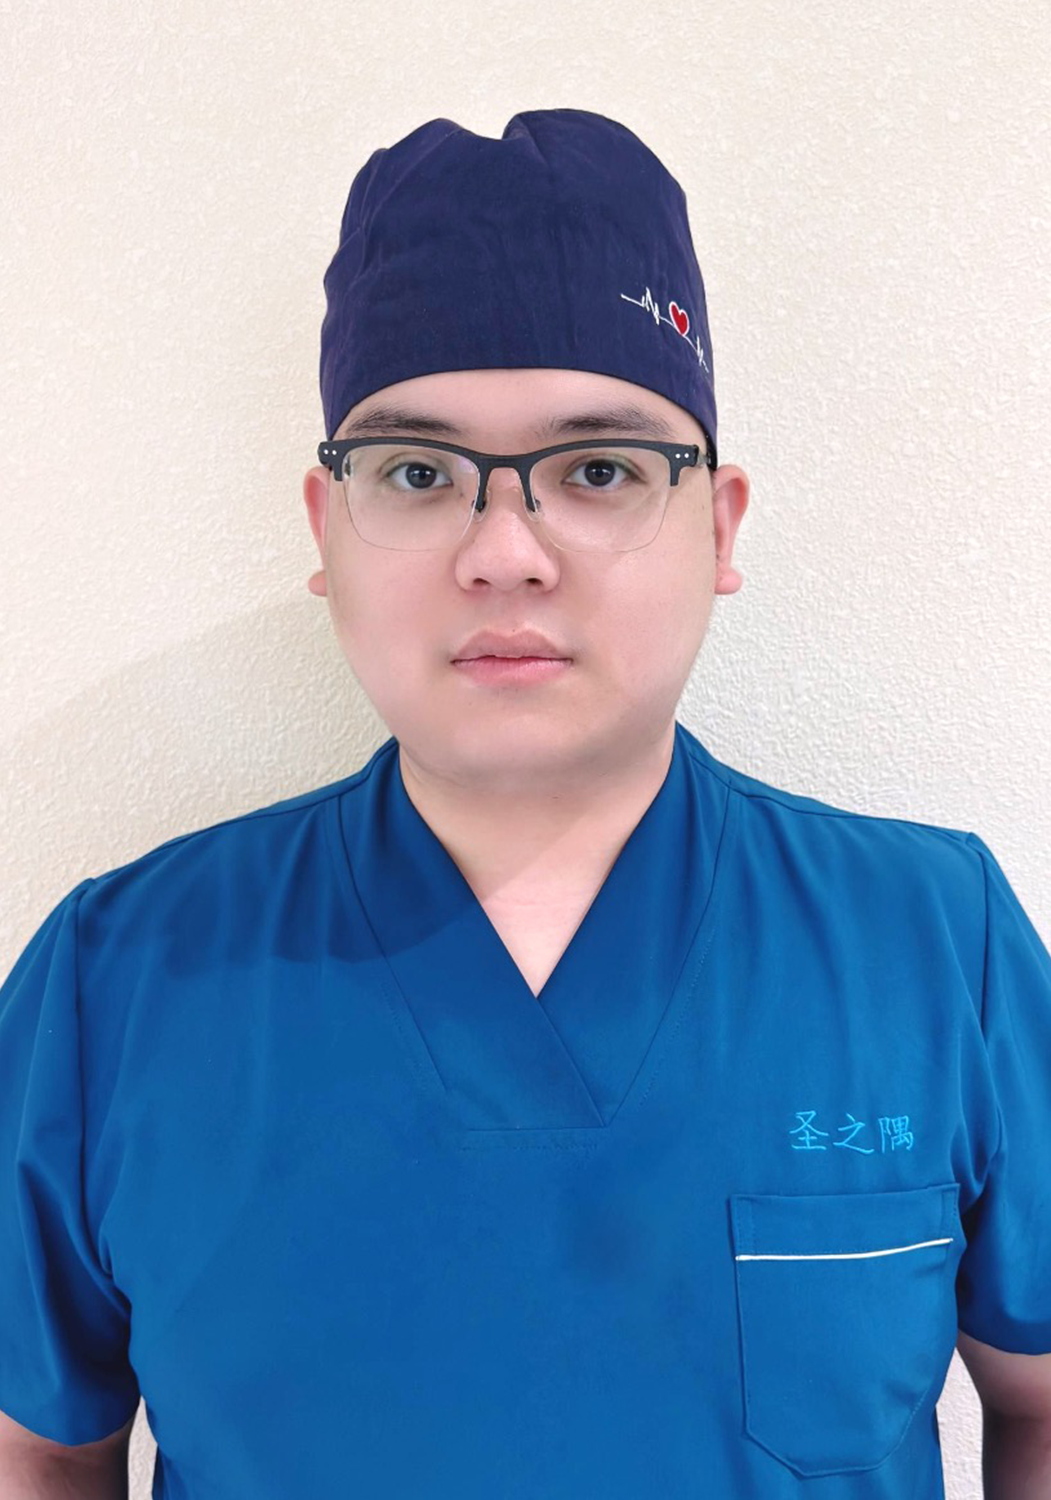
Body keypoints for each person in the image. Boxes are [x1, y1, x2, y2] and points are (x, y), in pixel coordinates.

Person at [1, 108, 1049, 1500]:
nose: (505, 551)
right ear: (325, 527)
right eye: (417, 474)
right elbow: (39, 1447)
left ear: (718, 525)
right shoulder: (115, 980)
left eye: (599, 470)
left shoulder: (931, 943)